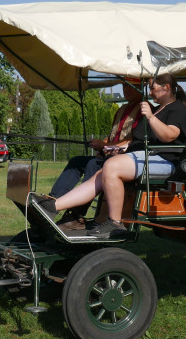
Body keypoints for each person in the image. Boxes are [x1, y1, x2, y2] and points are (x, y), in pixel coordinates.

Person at [33, 73, 186, 239]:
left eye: (152, 88)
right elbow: (136, 141)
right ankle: (52, 206)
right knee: (100, 173)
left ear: (167, 88)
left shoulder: (177, 109)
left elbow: (169, 136)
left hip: (165, 161)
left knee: (111, 166)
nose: (150, 93)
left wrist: (151, 117)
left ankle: (115, 223)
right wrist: (119, 148)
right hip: (146, 156)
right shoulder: (159, 109)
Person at [49, 79, 143, 230]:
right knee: (77, 161)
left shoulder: (144, 109)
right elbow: (113, 136)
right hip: (109, 155)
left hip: (124, 160)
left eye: (132, 86)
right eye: (124, 85)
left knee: (93, 164)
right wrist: (101, 143)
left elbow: (131, 141)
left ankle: (76, 215)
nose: (126, 89)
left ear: (141, 88)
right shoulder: (122, 109)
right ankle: (51, 202)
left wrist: (105, 146)